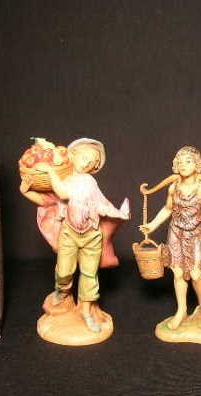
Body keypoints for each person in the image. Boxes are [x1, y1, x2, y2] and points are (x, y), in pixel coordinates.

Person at [20, 138, 129, 333]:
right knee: (64, 271)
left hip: (92, 236)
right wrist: (24, 190)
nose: (88, 163)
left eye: (93, 161)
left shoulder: (89, 182)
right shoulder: (64, 180)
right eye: (85, 157)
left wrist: (118, 213)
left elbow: (95, 202)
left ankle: (86, 311)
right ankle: (62, 291)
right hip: (69, 234)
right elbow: (46, 201)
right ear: (72, 156)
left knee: (89, 274)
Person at [139, 146, 201, 330]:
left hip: (194, 235)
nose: (183, 165)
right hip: (175, 233)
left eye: (188, 161)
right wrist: (152, 225)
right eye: (180, 162)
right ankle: (182, 310)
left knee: (195, 273)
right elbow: (167, 209)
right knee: (177, 273)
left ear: (197, 165)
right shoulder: (173, 187)